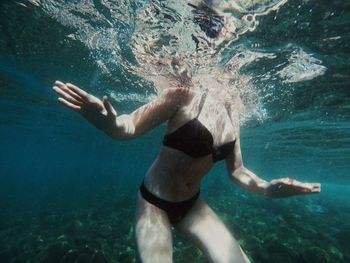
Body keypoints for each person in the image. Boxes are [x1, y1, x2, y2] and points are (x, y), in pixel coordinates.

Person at [53, 78, 320, 263]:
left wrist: (269, 189)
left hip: (192, 206)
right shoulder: (183, 93)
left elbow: (237, 171)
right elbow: (131, 126)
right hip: (153, 203)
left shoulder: (233, 111)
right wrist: (109, 124)